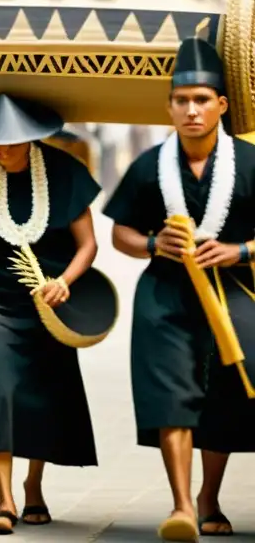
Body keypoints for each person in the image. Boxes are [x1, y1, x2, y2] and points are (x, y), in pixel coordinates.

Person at [105, 37, 255, 541]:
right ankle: (183, 506)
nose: (192, 110)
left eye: (202, 100)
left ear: (222, 105)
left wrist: (240, 251)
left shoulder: (250, 162)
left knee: (225, 398)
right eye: (182, 100)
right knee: (171, 393)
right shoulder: (149, 166)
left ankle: (210, 495)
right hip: (164, 297)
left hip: (233, 294)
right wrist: (153, 242)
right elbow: (119, 233)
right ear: (169, 106)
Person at [0, 94, 100, 535]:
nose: (3, 149)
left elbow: (88, 244)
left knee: (40, 391)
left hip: (48, 302)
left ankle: (33, 484)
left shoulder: (65, 173)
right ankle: (5, 499)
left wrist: (64, 280)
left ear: (33, 137)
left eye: (13, 141)